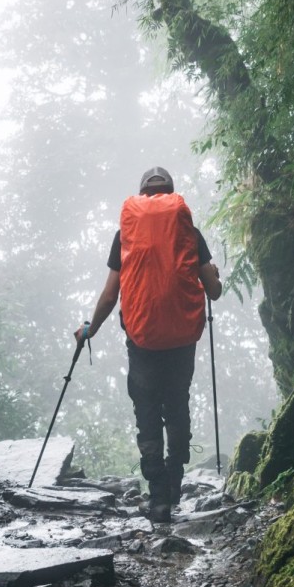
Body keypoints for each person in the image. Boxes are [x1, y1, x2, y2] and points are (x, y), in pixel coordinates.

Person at [76, 166, 222, 523]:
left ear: (141, 195)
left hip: (142, 341)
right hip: (182, 339)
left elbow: (112, 294)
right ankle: (175, 479)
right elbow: (214, 290)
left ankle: (158, 499)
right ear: (172, 194)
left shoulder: (125, 234)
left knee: (147, 416)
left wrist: (88, 330)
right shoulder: (189, 230)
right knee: (177, 405)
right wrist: (213, 278)